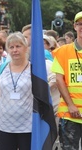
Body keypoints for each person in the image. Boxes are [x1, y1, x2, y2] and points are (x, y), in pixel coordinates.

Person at [0, 32, 33, 150]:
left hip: (28, 126)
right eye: (11, 47)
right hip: (4, 125)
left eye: (18, 46)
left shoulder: (34, 69)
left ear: (25, 48)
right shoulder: (0, 68)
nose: (15, 50)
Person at [52, 11, 82, 150]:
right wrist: (71, 105)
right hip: (70, 113)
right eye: (79, 23)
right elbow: (59, 80)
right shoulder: (63, 51)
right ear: (75, 26)